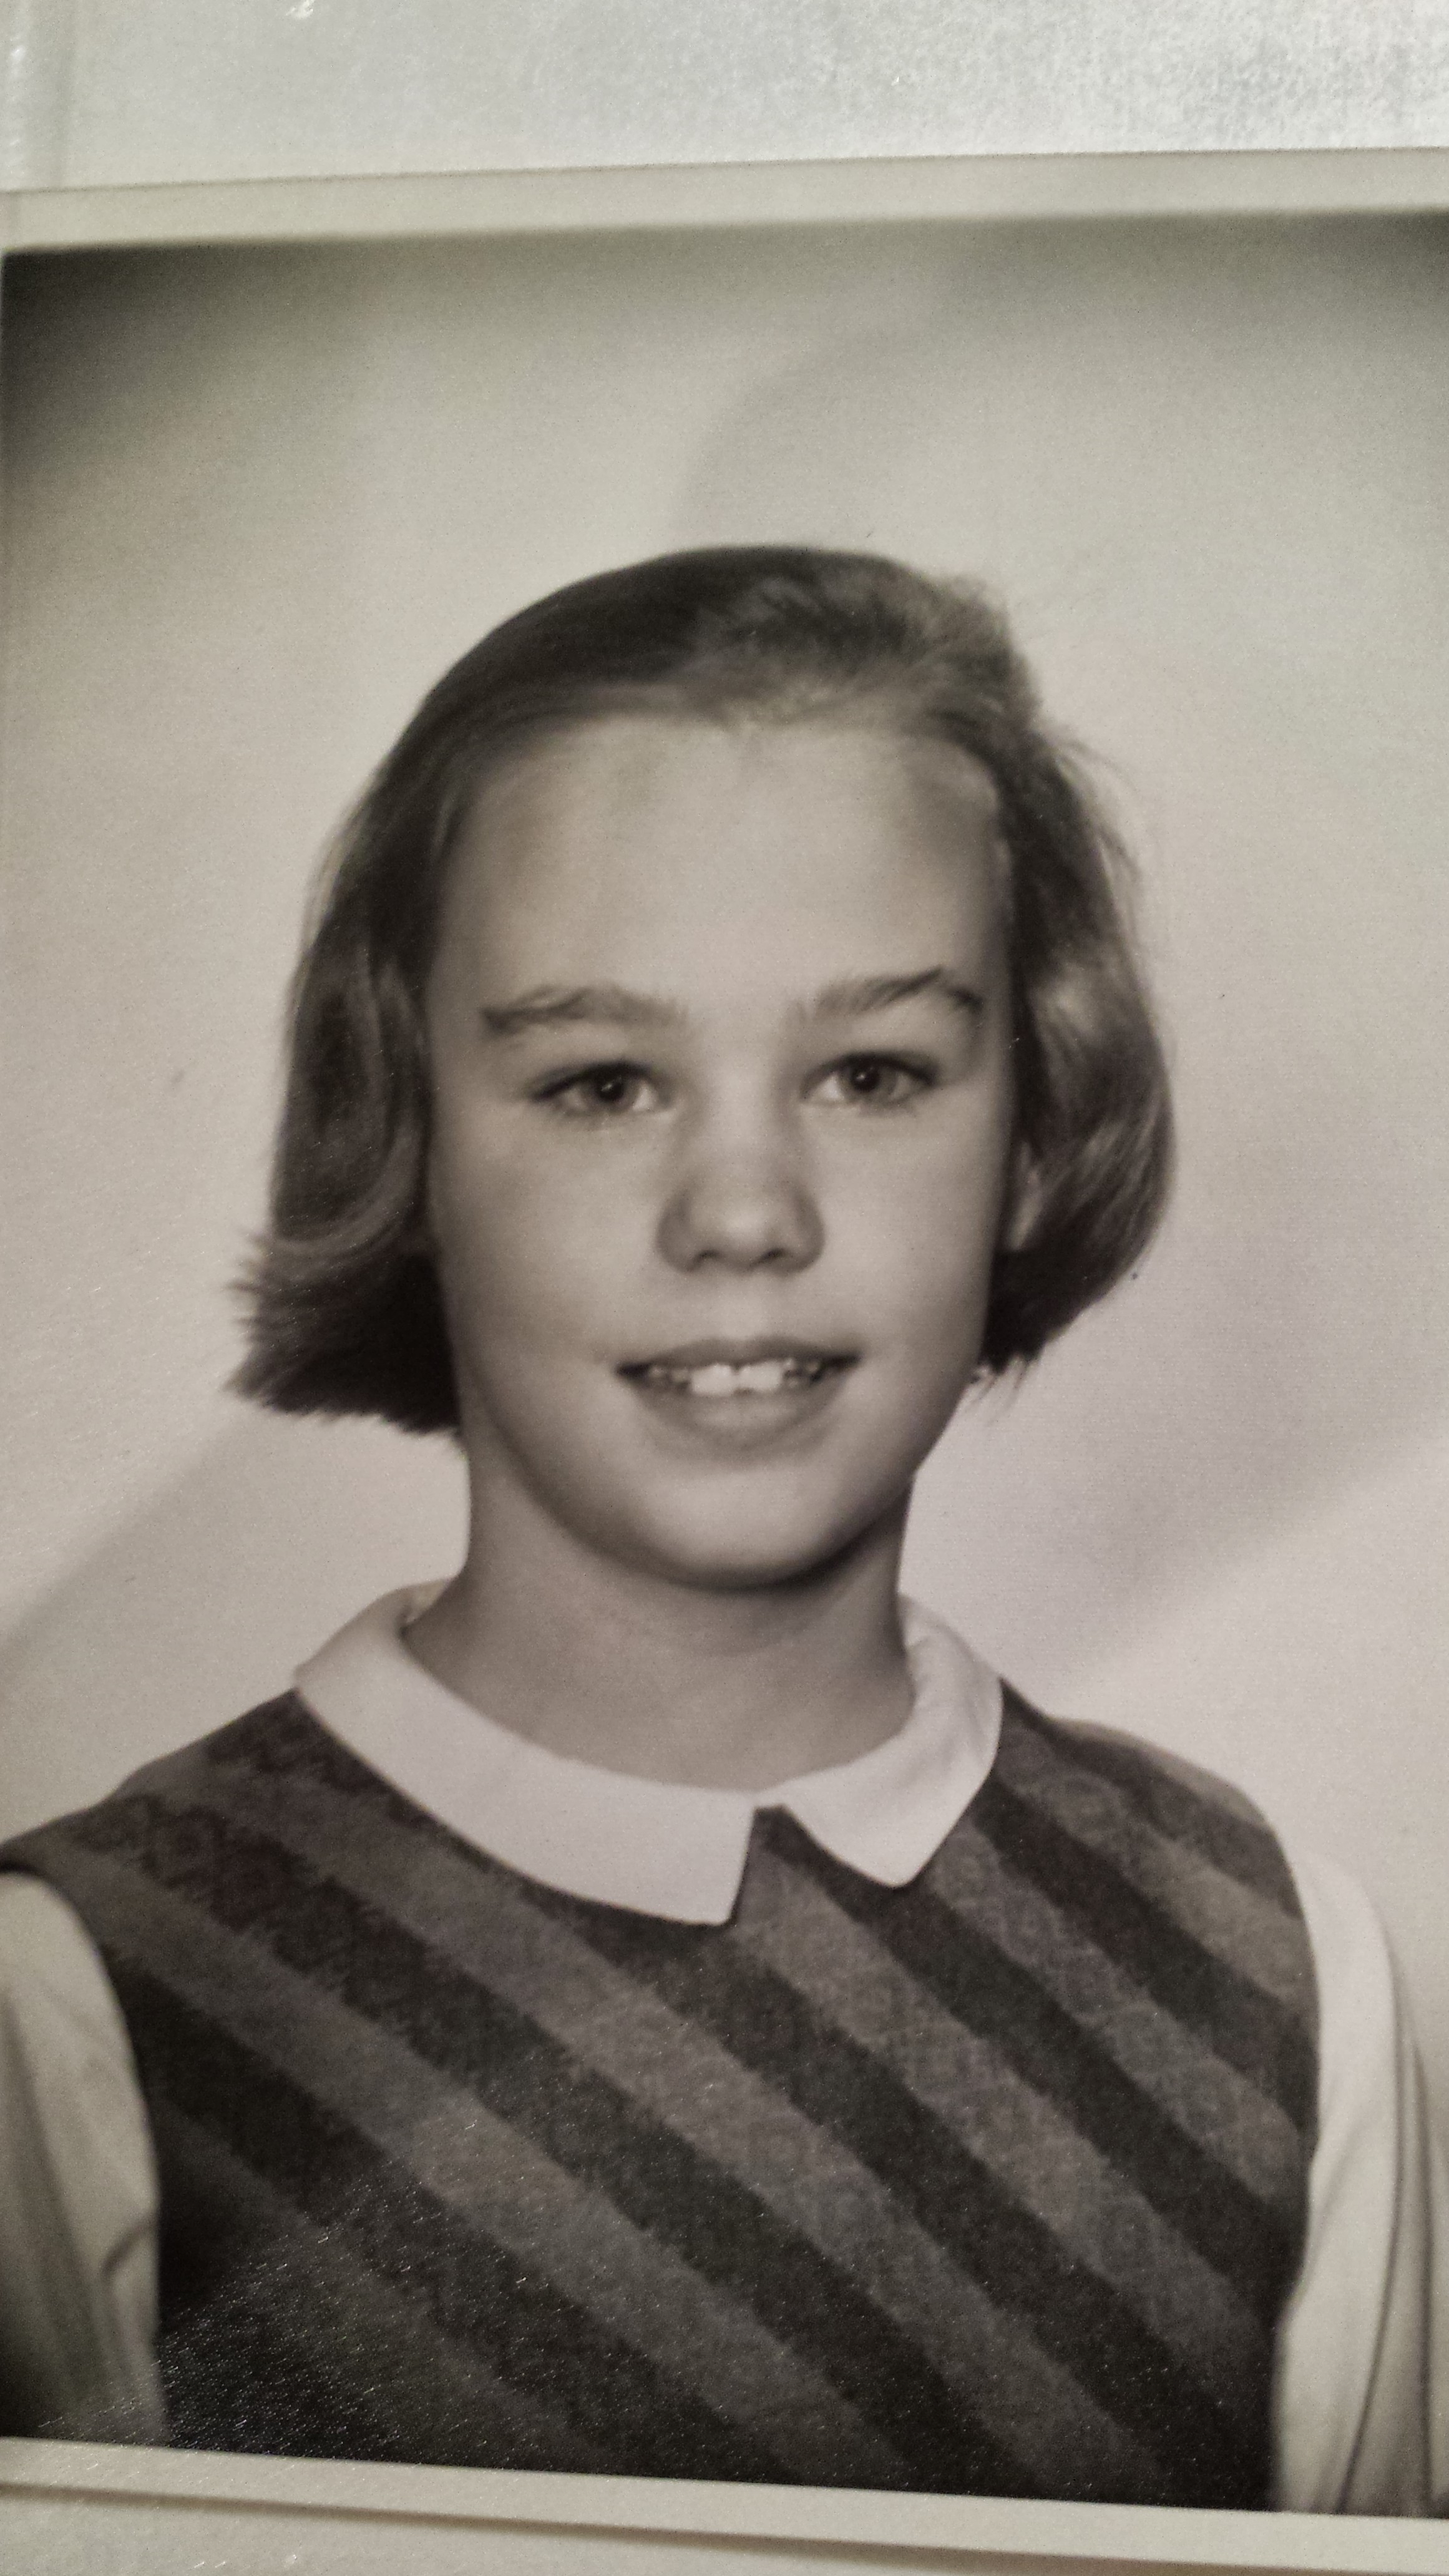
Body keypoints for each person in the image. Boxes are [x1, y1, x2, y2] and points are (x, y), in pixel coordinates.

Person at [0, 547, 1443, 2509]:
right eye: (601, 1083)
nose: (742, 1212)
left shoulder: (1274, 1984)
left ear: (1030, 1130)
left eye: (870, 1073)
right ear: (408, 1137)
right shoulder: (78, 2011)